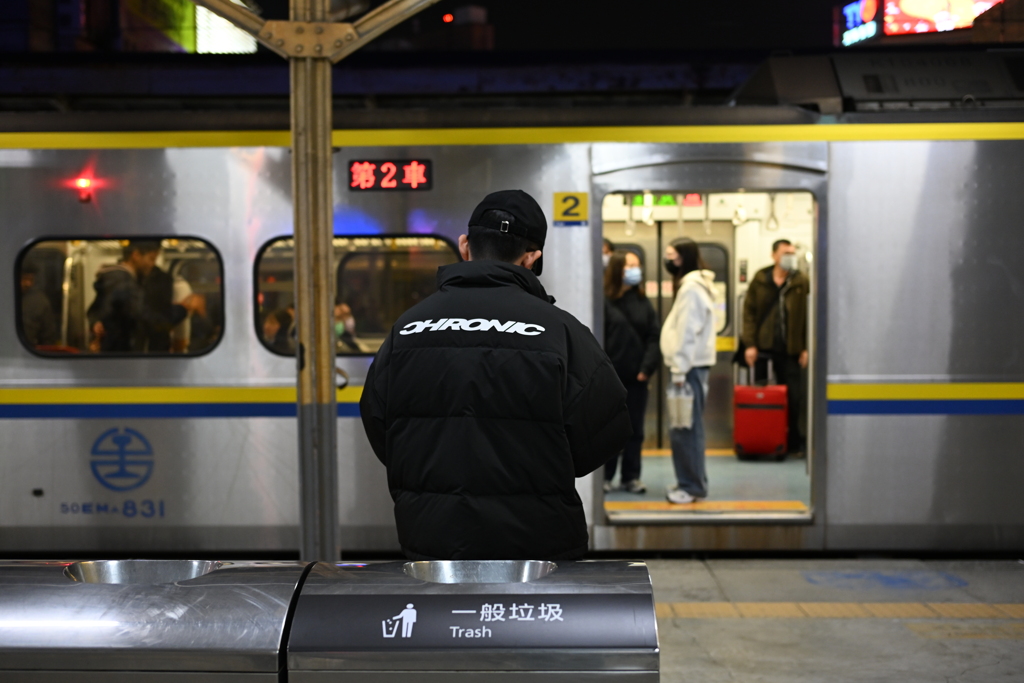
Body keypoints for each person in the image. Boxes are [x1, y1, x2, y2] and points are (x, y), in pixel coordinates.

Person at [360, 189, 631, 561]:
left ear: (464, 245)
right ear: (532, 258)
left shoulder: (406, 330)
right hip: (538, 551)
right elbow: (605, 431)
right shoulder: (561, 333)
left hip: (433, 543)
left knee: (449, 619)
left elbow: (380, 428)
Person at [660, 239, 717, 504]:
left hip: (688, 369)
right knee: (688, 427)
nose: (667, 260)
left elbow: (686, 332)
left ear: (683, 258)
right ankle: (693, 481)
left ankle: (691, 487)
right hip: (693, 367)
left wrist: (679, 369)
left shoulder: (691, 289)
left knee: (685, 428)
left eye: (671, 255)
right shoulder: (698, 285)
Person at [741, 239, 809, 456]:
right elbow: (749, 314)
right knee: (762, 396)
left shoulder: (801, 281)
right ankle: (762, 440)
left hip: (791, 349)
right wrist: (750, 344)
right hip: (763, 347)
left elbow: (808, 317)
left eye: (792, 253)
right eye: (785, 252)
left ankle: (793, 443)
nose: (790, 256)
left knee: (795, 398)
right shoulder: (760, 280)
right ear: (774, 256)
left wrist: (806, 347)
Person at [602, 251, 660, 494]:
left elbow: (654, 337)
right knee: (607, 430)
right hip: (609, 379)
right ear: (617, 270)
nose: (636, 270)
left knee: (635, 430)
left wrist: (647, 368)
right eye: (631, 266)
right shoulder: (603, 301)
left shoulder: (643, 302)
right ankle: (604, 477)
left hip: (637, 377)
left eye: (637, 265)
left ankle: (631, 477)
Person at [87, 240, 202, 353]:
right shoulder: (124, 283)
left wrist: (96, 323)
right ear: (136, 255)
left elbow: (94, 311)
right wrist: (183, 309)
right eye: (151, 259)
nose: (152, 265)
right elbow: (146, 322)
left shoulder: (114, 279)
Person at [20, 261, 59, 348]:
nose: (28, 283)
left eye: (31, 279)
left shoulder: (40, 302)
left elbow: (48, 336)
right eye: (24, 278)